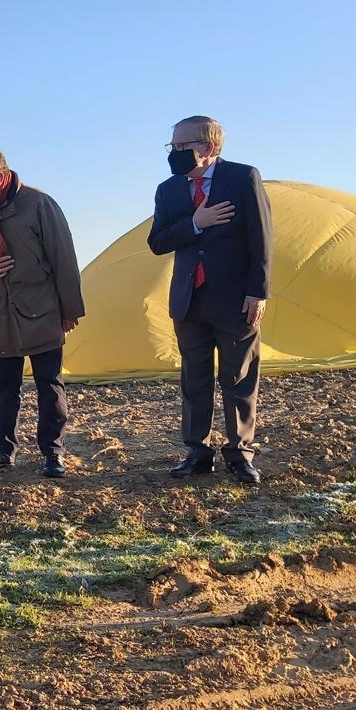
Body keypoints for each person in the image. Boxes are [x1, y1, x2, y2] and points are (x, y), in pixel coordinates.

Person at [148, 116, 272, 485]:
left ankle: (239, 454)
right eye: (172, 147)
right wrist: (196, 222)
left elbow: (261, 239)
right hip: (189, 300)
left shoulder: (243, 178)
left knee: (238, 377)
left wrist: (258, 292)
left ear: (209, 148)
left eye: (182, 147)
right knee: (194, 379)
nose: (175, 154)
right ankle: (197, 452)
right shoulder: (168, 190)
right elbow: (158, 242)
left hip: (236, 300)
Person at [0, 147, 85, 478]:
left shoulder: (38, 204)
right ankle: (2, 450)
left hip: (40, 310)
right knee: (4, 386)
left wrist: (69, 310)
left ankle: (53, 454)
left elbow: (63, 259)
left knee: (49, 384)